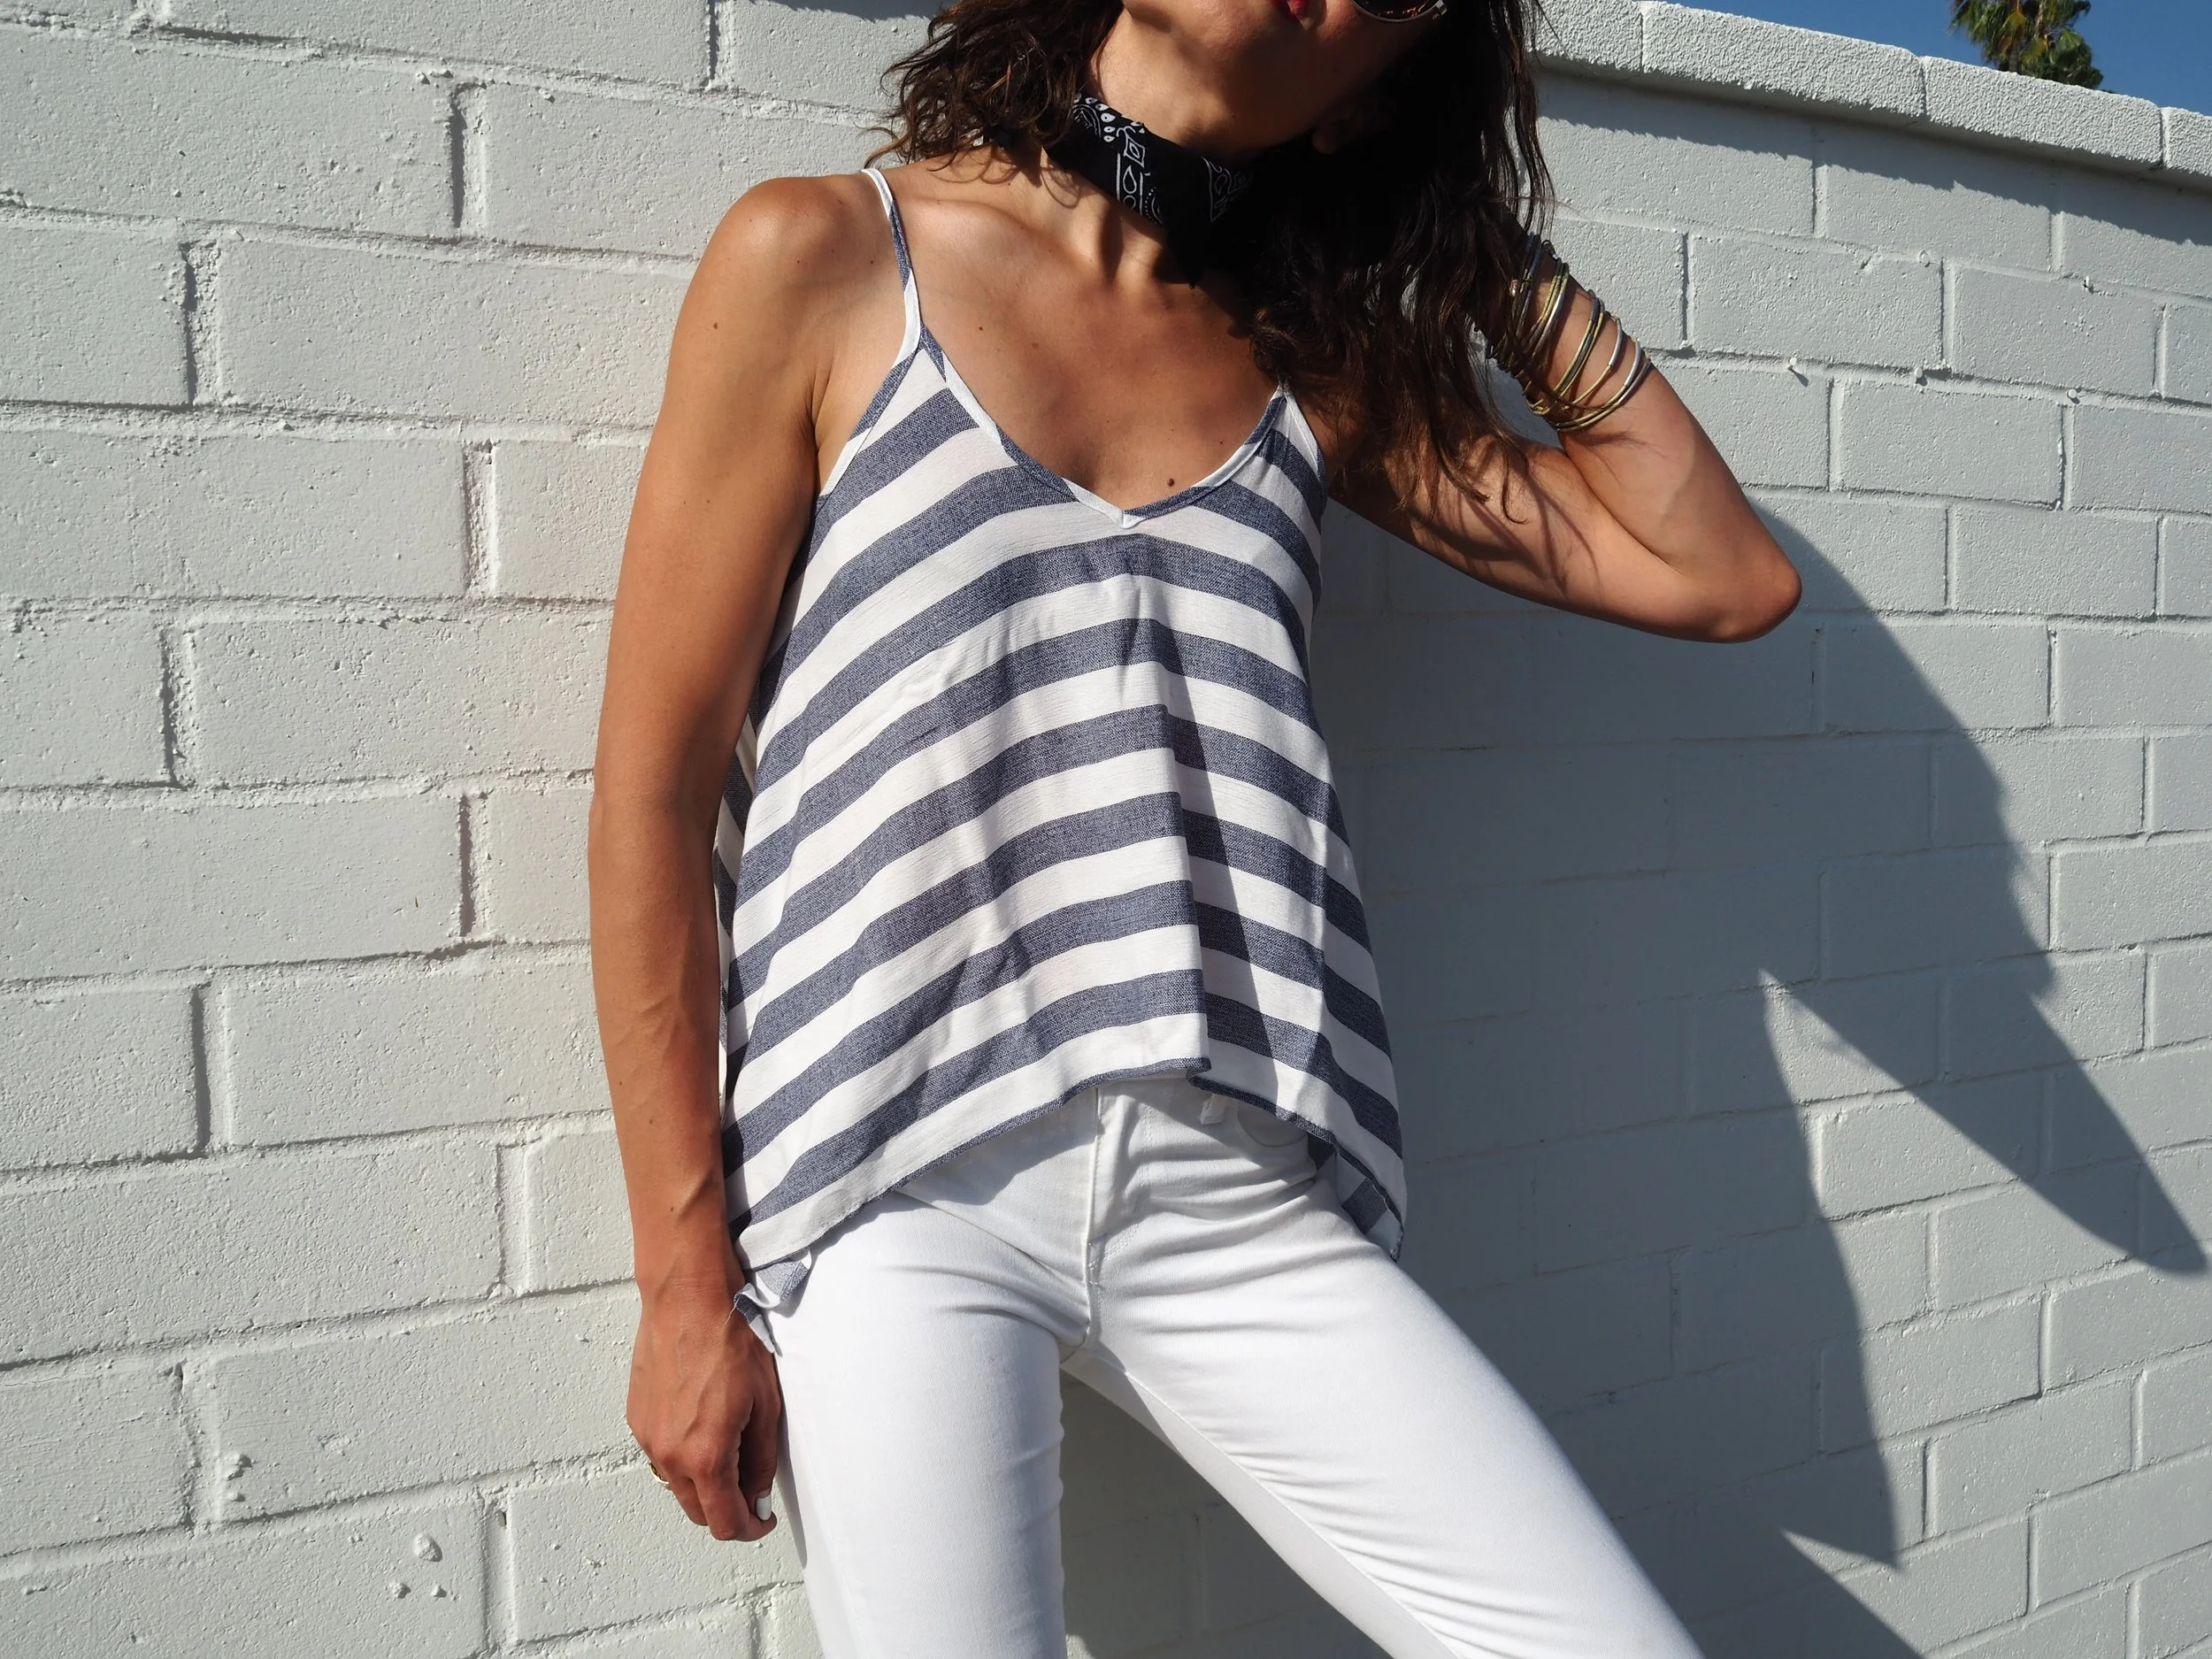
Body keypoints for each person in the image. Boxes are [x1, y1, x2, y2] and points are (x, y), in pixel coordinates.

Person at [587, 0, 1801, 1648]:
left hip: (1232, 1180)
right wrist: (682, 1284)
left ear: (1365, 101)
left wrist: (1458, 236)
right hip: (893, 1180)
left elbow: (1721, 572)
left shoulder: (1307, 376)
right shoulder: (829, 257)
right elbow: (652, 796)